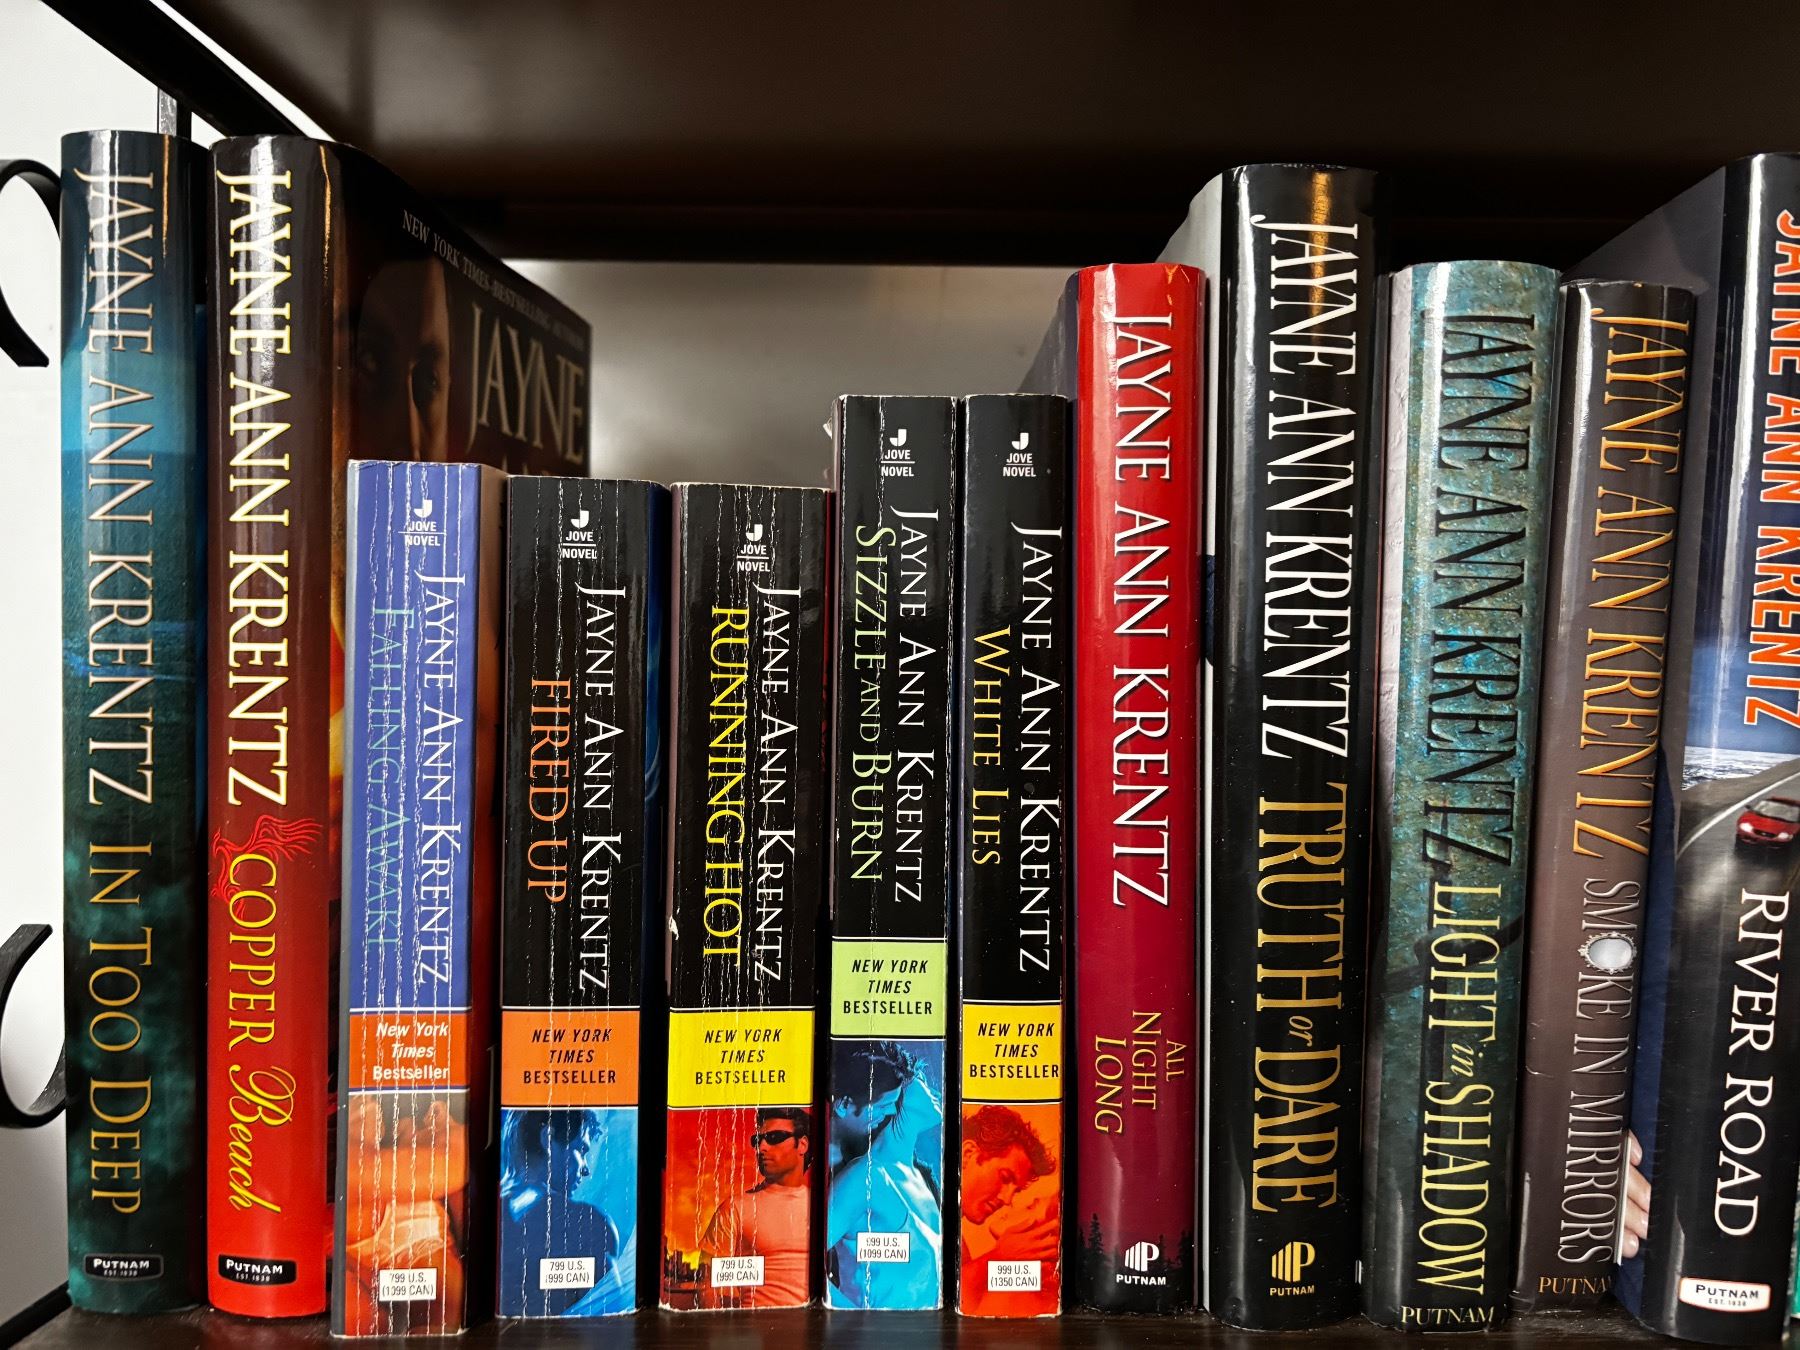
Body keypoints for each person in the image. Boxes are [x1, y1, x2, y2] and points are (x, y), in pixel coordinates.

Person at [825, 1041, 943, 1308]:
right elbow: (800, 1262)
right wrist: (853, 1317)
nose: (934, 1092)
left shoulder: (921, 1178)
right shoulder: (863, 1177)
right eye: (921, 1082)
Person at [698, 1108, 814, 1307]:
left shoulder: (826, 1207)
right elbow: (706, 1288)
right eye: (757, 1140)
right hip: (754, 1323)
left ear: (802, 1144)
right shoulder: (735, 1208)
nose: (761, 1147)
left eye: (774, 1137)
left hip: (813, 1322)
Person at [958, 1105, 1058, 1315]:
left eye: (1016, 1190)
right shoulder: (921, 1205)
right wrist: (999, 1257)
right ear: (968, 1154)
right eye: (1005, 1178)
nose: (1007, 1199)